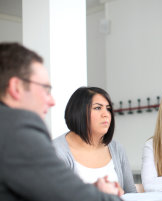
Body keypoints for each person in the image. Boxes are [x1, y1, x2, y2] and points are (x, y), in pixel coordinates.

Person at [0, 42, 122, 201]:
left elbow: (47, 191)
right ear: (16, 88)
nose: (52, 101)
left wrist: (90, 191)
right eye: (46, 89)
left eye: (108, 108)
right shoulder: (16, 128)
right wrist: (107, 197)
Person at [53, 87, 137, 194]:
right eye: (97, 108)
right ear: (79, 112)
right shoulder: (55, 151)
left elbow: (131, 193)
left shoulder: (116, 148)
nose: (105, 114)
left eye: (108, 109)